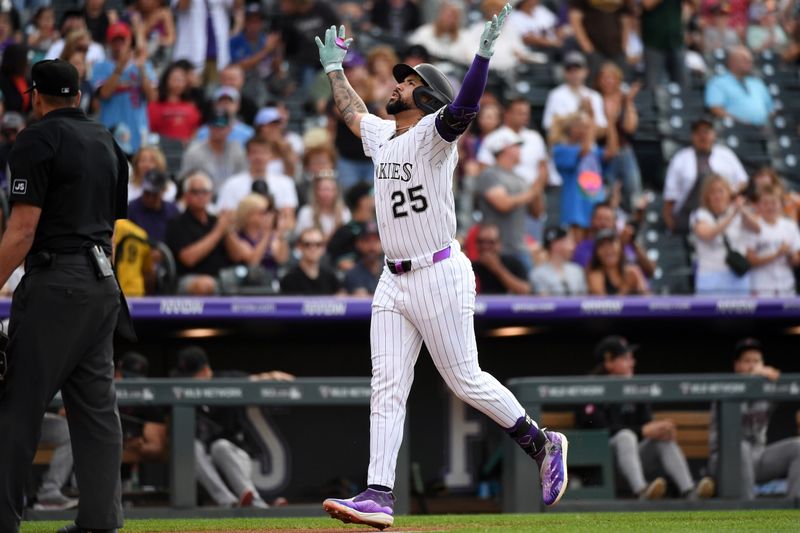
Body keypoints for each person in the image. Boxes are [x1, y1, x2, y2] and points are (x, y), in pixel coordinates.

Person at [315, 6, 568, 529]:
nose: (398, 85)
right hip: (392, 278)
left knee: (465, 380)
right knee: (386, 385)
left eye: (407, 81)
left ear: (426, 95)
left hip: (438, 271)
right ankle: (378, 494)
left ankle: (542, 444)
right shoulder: (383, 136)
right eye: (399, 79)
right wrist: (334, 70)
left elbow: (467, 106)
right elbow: (349, 113)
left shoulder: (434, 133)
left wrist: (481, 56)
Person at [0, 59, 130, 533]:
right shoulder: (108, 142)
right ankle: (99, 522)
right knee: (96, 410)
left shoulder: (36, 138)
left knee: (17, 406)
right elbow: (110, 233)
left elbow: (22, 231)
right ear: (78, 94)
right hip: (102, 283)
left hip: (58, 281)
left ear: (35, 95)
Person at [577, 336, 715, 500]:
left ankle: (690, 491)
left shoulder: (636, 388)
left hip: (633, 464)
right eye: (625, 358)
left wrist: (659, 430)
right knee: (625, 436)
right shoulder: (590, 387)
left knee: (662, 439)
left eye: (631, 358)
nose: (632, 362)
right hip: (603, 466)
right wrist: (643, 430)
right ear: (609, 363)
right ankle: (642, 491)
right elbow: (597, 429)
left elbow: (646, 425)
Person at [172, 346, 290, 508]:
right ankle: (229, 502)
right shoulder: (180, 387)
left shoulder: (225, 379)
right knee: (191, 446)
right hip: (204, 461)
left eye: (194, 375)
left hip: (235, 454)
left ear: (206, 371)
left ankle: (256, 503)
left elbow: (254, 380)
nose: (189, 380)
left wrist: (273, 376)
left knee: (219, 446)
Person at [709, 338, 800, 500]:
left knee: (798, 446)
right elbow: (731, 435)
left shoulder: (765, 390)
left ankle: (794, 510)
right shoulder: (725, 387)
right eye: (747, 361)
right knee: (741, 447)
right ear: (737, 366)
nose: (752, 366)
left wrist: (775, 381)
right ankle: (748, 510)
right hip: (724, 460)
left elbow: (789, 390)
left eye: (757, 361)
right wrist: (753, 381)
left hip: (758, 457)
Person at [662, 118, 748, 234]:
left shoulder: (726, 154)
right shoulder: (680, 159)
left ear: (714, 134)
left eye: (706, 131)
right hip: (690, 212)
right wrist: (671, 225)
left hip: (725, 209)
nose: (703, 136)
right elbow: (670, 197)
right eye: (698, 133)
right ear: (692, 136)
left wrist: (728, 192)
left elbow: (743, 182)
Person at [476, 129, 544, 271]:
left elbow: (537, 213)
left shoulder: (521, 179)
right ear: (505, 148)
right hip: (497, 251)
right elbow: (503, 204)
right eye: (517, 146)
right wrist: (532, 192)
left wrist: (538, 189)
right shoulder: (489, 175)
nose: (520, 150)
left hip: (520, 249)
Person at [165, 170, 242, 295]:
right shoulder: (177, 222)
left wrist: (227, 230)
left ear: (210, 195)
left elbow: (237, 256)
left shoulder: (216, 220)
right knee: (205, 285)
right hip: (189, 279)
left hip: (223, 276)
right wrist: (218, 231)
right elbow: (188, 259)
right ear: (186, 195)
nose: (201, 195)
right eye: (195, 192)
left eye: (205, 192)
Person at [691, 174, 760, 295]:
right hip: (710, 276)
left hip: (737, 275)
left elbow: (757, 228)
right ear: (707, 196)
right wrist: (732, 215)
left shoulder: (738, 211)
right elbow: (709, 234)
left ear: (729, 193)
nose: (717, 196)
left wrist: (742, 210)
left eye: (721, 191)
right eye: (713, 192)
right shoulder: (700, 214)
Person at [216, 135, 298, 227]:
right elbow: (225, 218)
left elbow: (289, 219)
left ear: (271, 155)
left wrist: (270, 237)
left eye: (263, 152)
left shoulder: (285, 183)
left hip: (275, 236)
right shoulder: (231, 184)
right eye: (254, 152)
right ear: (247, 155)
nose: (258, 157)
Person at [596, 62, 642, 213]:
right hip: (602, 153)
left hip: (624, 151)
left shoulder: (624, 99)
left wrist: (628, 102)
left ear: (618, 80)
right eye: (604, 78)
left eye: (611, 78)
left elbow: (630, 127)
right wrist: (609, 122)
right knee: (607, 192)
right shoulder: (594, 99)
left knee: (633, 189)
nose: (608, 81)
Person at [744, 186, 800, 296]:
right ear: (759, 205)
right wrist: (776, 254)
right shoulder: (753, 226)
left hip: (786, 287)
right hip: (761, 289)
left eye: (774, 202)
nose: (770, 207)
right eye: (765, 203)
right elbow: (750, 261)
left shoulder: (790, 226)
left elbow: (797, 259)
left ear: (781, 204)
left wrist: (791, 257)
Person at [705, 46, 773, 127]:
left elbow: (770, 109)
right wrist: (740, 122)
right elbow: (715, 108)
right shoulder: (718, 83)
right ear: (732, 61)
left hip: (762, 130)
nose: (749, 62)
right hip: (733, 129)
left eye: (750, 59)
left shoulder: (757, 83)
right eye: (744, 59)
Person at [542, 51, 608, 133]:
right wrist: (578, 113)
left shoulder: (594, 96)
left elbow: (603, 127)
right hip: (564, 143)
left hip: (589, 143)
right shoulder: (555, 95)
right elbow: (548, 125)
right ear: (564, 72)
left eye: (577, 69)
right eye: (569, 70)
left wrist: (591, 115)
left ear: (586, 71)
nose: (574, 73)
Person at [179, 111, 247, 190]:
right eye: (214, 126)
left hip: (231, 196)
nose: (217, 130)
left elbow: (243, 177)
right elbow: (185, 180)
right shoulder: (194, 151)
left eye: (221, 127)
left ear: (230, 128)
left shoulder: (237, 150)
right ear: (209, 127)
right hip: (202, 196)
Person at [233, 192, 290, 277]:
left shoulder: (272, 236)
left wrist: (281, 235)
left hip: (272, 281)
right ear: (248, 215)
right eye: (262, 212)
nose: (266, 216)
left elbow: (281, 259)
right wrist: (266, 235)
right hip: (249, 284)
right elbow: (253, 262)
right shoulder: (238, 236)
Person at [568, 0, 631, 75]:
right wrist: (588, 48)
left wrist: (623, 47)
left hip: (617, 50)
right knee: (593, 83)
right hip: (594, 49)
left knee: (621, 82)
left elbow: (626, 19)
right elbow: (575, 18)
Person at [147, 61, 202, 143]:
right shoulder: (154, 106)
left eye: (181, 80)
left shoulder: (191, 107)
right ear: (166, 80)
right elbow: (151, 131)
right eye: (175, 79)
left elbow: (195, 131)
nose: (178, 83)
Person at [327, 182, 376, 272]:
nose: (375, 198)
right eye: (372, 194)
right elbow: (335, 258)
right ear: (361, 201)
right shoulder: (345, 232)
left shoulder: (378, 227)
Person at [471, 223, 530, 294]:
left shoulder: (513, 263)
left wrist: (497, 268)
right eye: (481, 242)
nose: (485, 246)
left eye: (491, 242)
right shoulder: (470, 266)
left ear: (499, 244)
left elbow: (525, 291)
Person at [280, 227, 343, 295]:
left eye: (318, 244)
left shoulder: (331, 278)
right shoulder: (289, 280)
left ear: (323, 247)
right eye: (307, 244)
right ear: (299, 246)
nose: (313, 248)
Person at [586, 229, 648, 295]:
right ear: (596, 253)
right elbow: (602, 304)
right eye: (602, 245)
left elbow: (648, 301)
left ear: (620, 247)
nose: (607, 249)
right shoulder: (595, 276)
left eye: (611, 243)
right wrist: (626, 287)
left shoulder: (633, 272)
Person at [641, 0, 686, 88]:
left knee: (684, 83)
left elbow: (695, 4)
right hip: (654, 42)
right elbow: (647, 4)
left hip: (676, 40)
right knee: (653, 85)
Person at [531, 225, 587, 296]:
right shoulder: (538, 274)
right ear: (555, 244)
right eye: (569, 241)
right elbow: (544, 303)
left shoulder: (577, 270)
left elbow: (583, 299)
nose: (573, 246)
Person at [295, 174, 351, 243]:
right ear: (316, 192)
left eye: (329, 189)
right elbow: (300, 237)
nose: (326, 193)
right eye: (322, 189)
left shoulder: (344, 212)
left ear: (336, 192)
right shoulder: (306, 212)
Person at [344, 221, 384, 296]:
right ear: (359, 244)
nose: (372, 246)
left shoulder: (391, 270)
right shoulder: (353, 273)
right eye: (367, 241)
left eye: (376, 240)